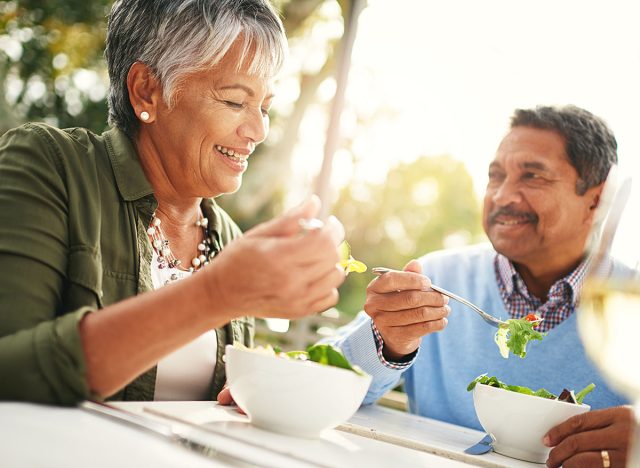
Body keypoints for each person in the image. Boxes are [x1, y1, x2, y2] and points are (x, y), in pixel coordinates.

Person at [0, 0, 346, 405]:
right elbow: (10, 370)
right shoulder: (52, 165)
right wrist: (216, 293)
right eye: (235, 101)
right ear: (147, 90)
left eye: (265, 107)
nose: (258, 130)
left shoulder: (229, 240)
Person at [327, 105, 635, 468]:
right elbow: (320, 375)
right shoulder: (436, 279)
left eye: (532, 176)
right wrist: (389, 344)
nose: (503, 196)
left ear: (596, 200)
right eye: (496, 175)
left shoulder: (628, 302)